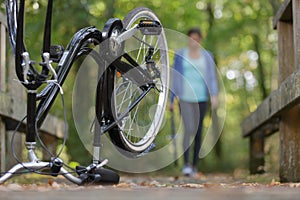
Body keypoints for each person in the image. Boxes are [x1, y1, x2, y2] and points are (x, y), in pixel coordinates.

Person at [169, 28, 218, 177]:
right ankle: (186, 165)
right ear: (188, 39)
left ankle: (195, 165)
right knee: (189, 128)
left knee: (198, 132)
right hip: (184, 97)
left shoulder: (207, 56)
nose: (194, 42)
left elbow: (211, 77)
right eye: (191, 38)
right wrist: (172, 98)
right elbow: (175, 76)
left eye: (197, 39)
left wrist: (214, 95)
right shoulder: (180, 54)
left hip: (201, 98)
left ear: (200, 41)